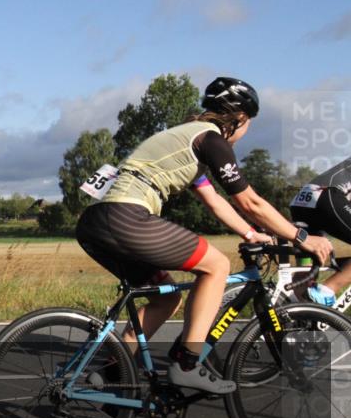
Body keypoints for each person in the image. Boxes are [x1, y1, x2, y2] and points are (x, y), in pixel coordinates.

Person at [76, 77, 334, 393]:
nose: (246, 130)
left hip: (96, 222)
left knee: (167, 297)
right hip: (127, 217)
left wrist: (253, 234)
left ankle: (109, 372)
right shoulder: (211, 140)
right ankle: (188, 364)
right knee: (216, 266)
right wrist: (302, 238)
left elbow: (216, 203)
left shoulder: (185, 141)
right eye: (248, 123)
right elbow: (250, 202)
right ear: (238, 117)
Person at [290, 158, 351, 297]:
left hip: (302, 200)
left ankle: (299, 309)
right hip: (327, 196)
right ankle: (325, 292)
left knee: (306, 266)